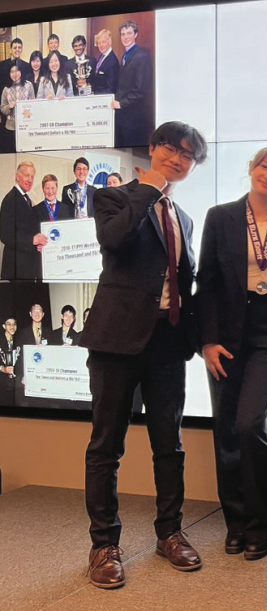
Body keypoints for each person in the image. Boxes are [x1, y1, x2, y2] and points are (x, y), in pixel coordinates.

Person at [79, 121, 209, 589]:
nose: (178, 160)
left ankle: (170, 534)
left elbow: (185, 284)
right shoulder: (113, 197)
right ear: (153, 150)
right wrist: (150, 189)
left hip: (167, 342)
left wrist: (197, 336)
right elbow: (114, 241)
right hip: (116, 339)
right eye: (171, 150)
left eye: (188, 156)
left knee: (169, 446)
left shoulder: (185, 219)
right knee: (106, 446)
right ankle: (103, 545)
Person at [196, 145, 267, 561]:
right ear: (251, 168)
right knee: (226, 427)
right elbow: (206, 282)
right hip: (226, 334)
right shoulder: (220, 216)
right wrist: (206, 340)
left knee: (249, 423)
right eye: (264, 167)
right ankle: (235, 524)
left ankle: (261, 525)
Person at [113, 20, 151, 148]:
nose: (125, 37)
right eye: (123, 34)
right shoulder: (125, 56)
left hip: (133, 118)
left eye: (129, 33)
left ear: (135, 34)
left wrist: (121, 103)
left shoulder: (141, 57)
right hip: (123, 117)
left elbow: (140, 90)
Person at [1, 161, 40, 282]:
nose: (30, 180)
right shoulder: (10, 199)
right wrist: (32, 240)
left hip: (25, 267)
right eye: (26, 175)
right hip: (16, 269)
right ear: (17, 177)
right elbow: (5, 236)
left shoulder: (26, 198)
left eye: (32, 176)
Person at [0, 61, 35, 154]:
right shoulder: (6, 89)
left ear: (21, 71)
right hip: (10, 128)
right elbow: (2, 107)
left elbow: (34, 105)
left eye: (17, 71)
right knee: (11, 155)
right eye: (12, 72)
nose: (15, 74)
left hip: (26, 128)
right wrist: (9, 107)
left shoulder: (29, 85)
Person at [91, 29, 119, 96]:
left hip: (105, 100)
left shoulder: (112, 61)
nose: (101, 45)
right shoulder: (102, 56)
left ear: (110, 42)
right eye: (99, 43)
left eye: (103, 42)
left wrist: (95, 95)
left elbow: (112, 89)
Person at [0, 317, 19, 406]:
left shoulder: (18, 341)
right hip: (2, 382)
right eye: (9, 324)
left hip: (14, 384)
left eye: (14, 324)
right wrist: (3, 369)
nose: (12, 326)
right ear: (4, 326)